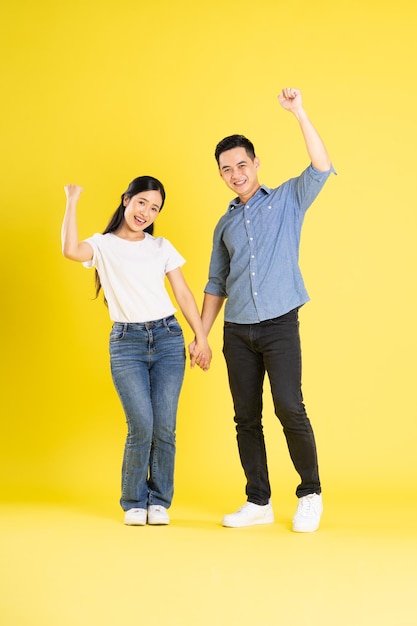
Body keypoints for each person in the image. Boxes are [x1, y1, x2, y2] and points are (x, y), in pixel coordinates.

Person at [190, 88, 335, 532]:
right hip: (237, 332)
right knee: (245, 416)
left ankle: (310, 493)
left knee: (290, 406)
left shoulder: (289, 199)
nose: (235, 174)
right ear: (221, 175)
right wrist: (201, 335)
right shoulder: (225, 223)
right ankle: (259, 501)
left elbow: (321, 167)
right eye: (226, 169)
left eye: (241, 165)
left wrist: (299, 113)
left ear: (256, 164)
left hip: (278, 326)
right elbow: (216, 283)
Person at [62, 175, 211, 526]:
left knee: (165, 427)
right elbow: (70, 250)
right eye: (141, 202)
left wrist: (200, 337)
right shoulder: (102, 245)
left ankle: (159, 500)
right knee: (141, 424)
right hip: (126, 343)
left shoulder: (160, 247)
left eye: (154, 207)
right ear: (126, 199)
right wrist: (72, 201)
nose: (146, 211)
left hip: (168, 339)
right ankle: (133, 501)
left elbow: (184, 295)